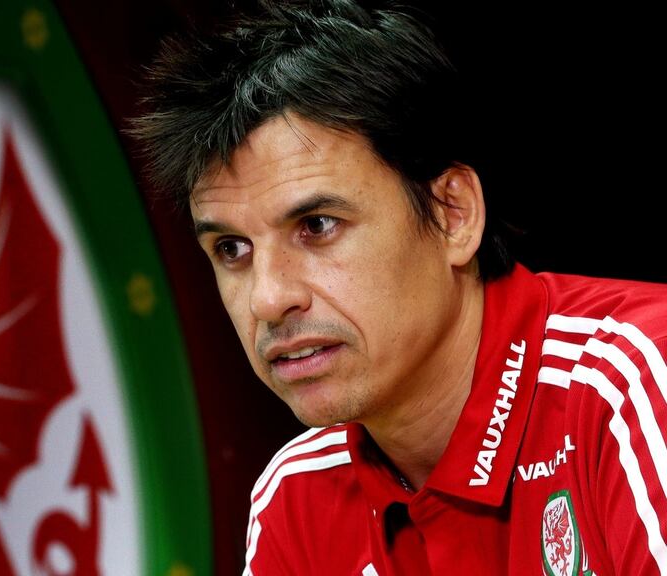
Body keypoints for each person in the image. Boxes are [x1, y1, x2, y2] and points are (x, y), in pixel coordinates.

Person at [129, 1, 667, 574]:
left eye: (317, 226)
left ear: (452, 214)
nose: (267, 298)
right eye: (232, 249)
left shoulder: (634, 385)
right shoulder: (294, 497)